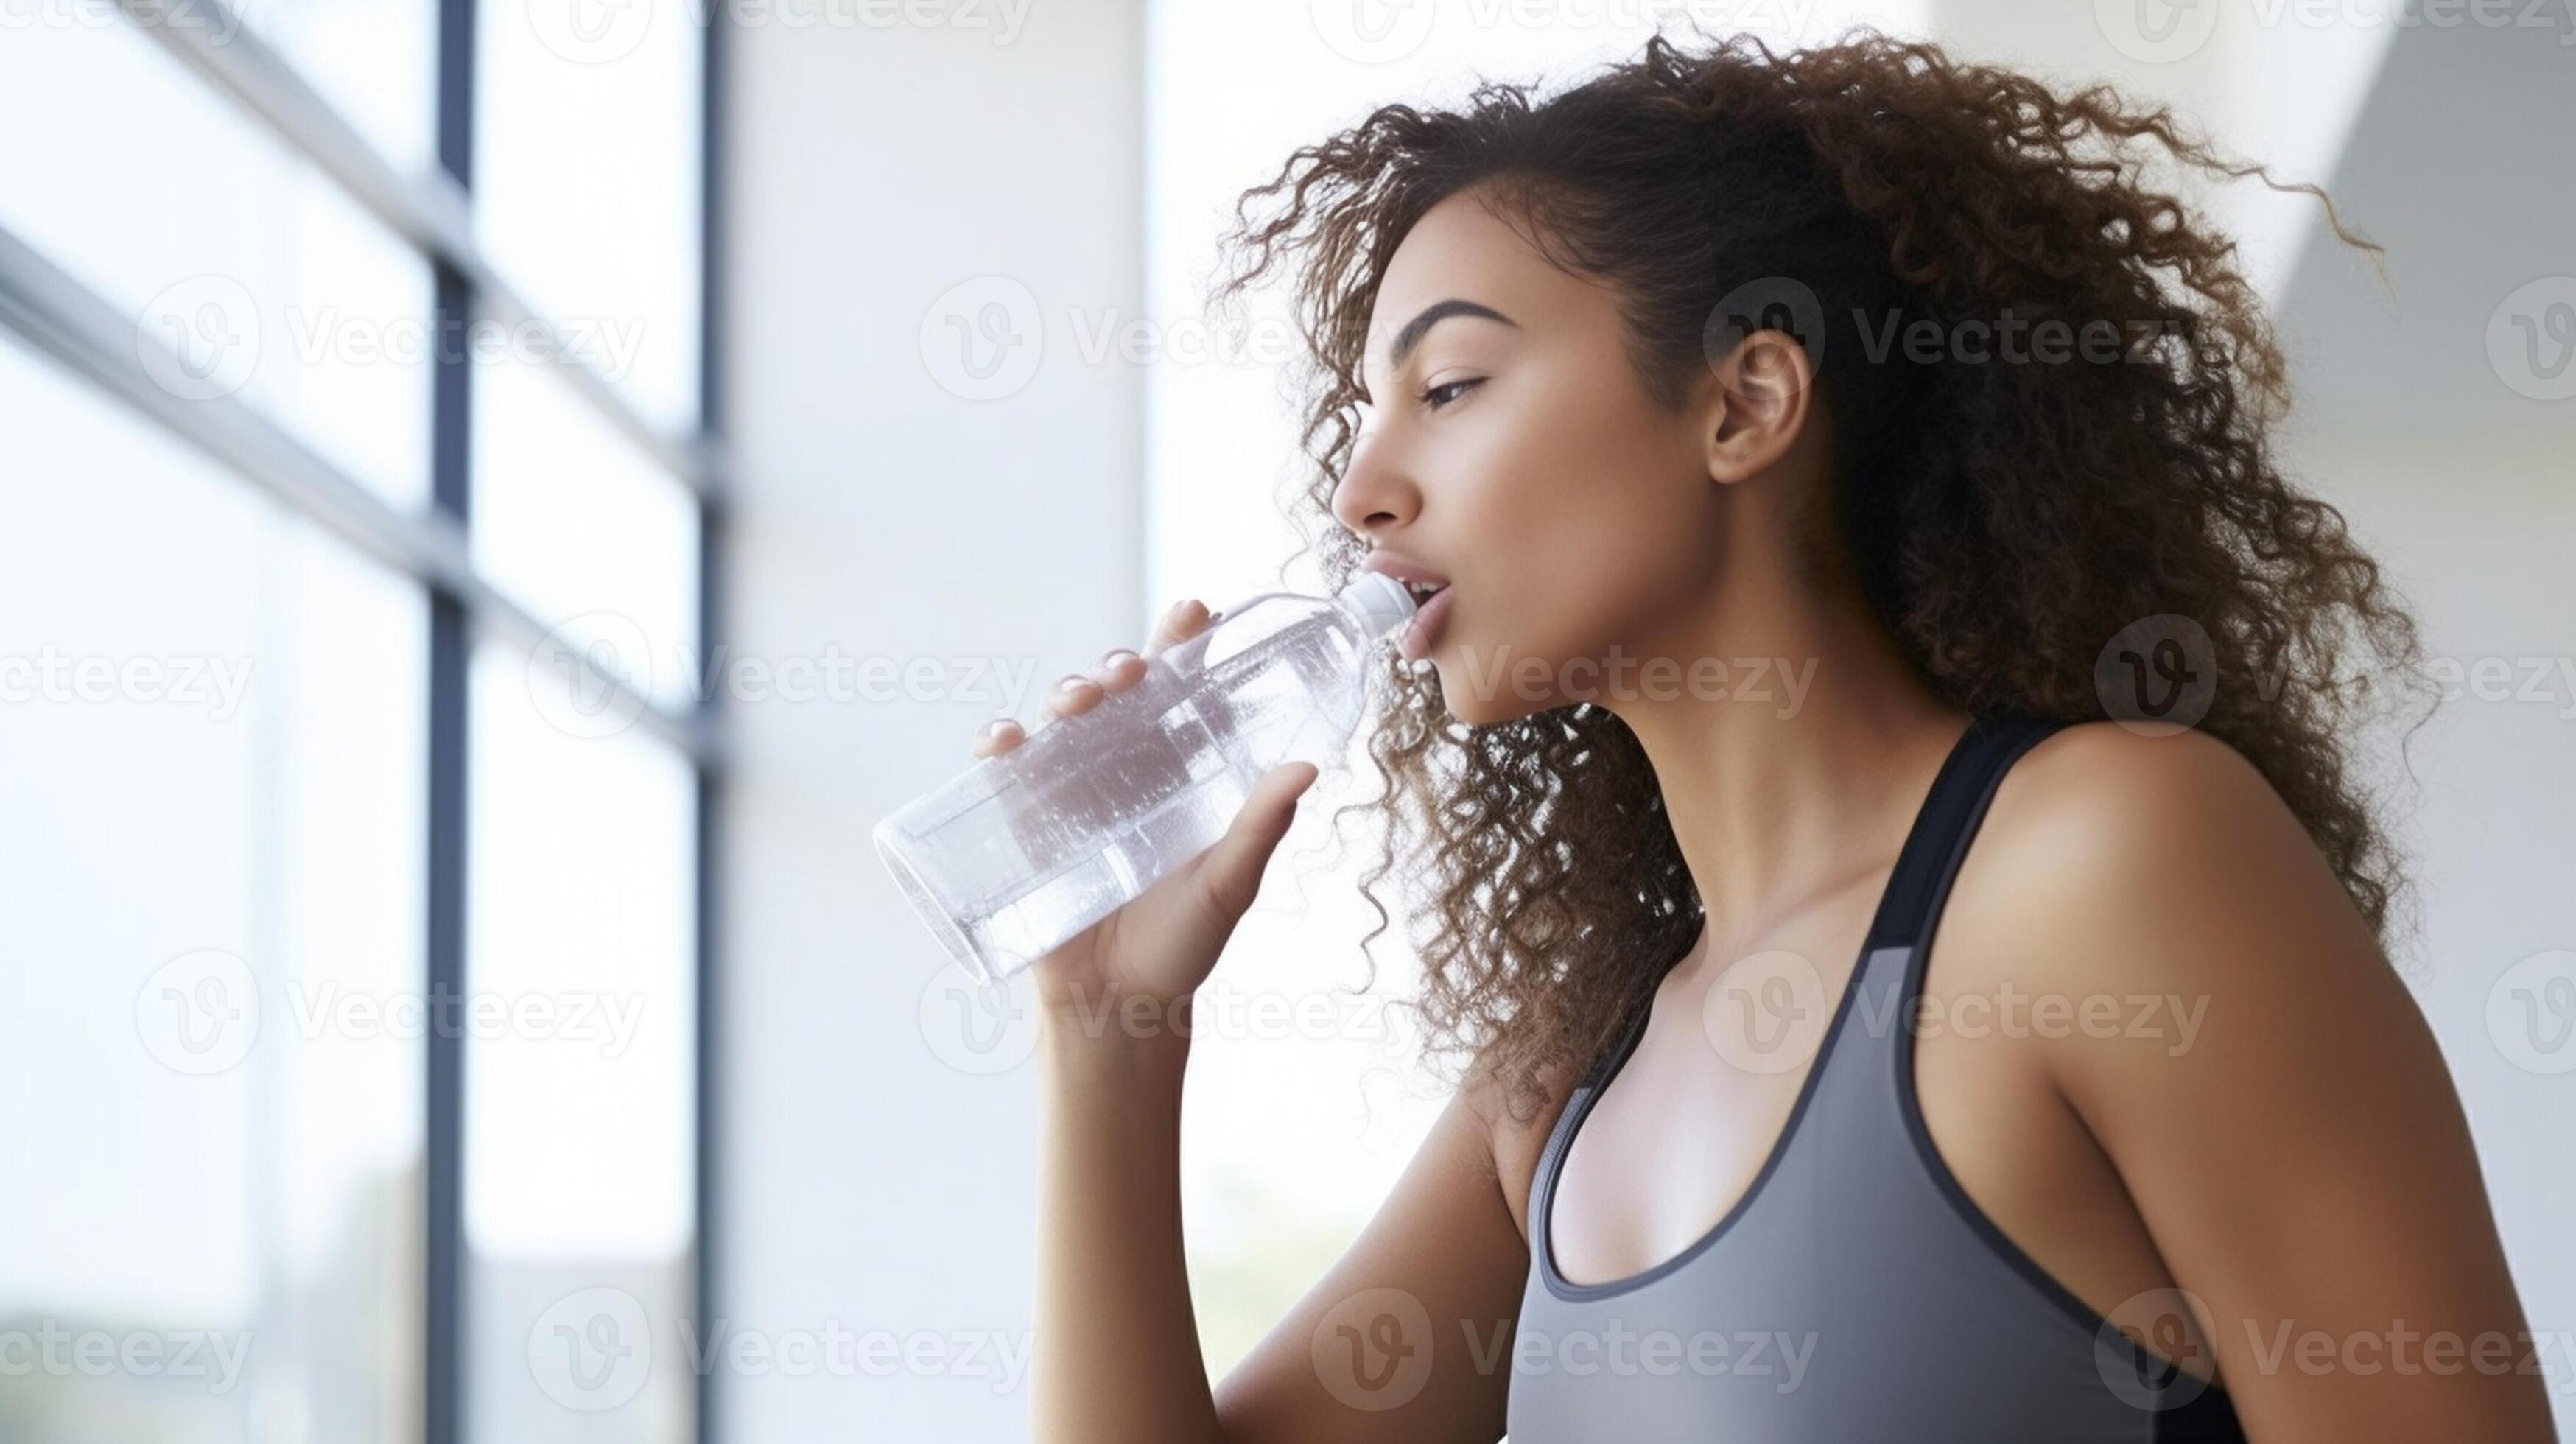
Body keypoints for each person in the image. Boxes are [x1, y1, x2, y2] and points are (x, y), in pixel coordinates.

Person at [967, 29, 2552, 1443]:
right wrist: (1106, 1027)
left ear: (1746, 403)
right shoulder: (1566, 1069)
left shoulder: (2110, 859)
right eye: (1368, 411)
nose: (1362, 490)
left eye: (1450, 382)